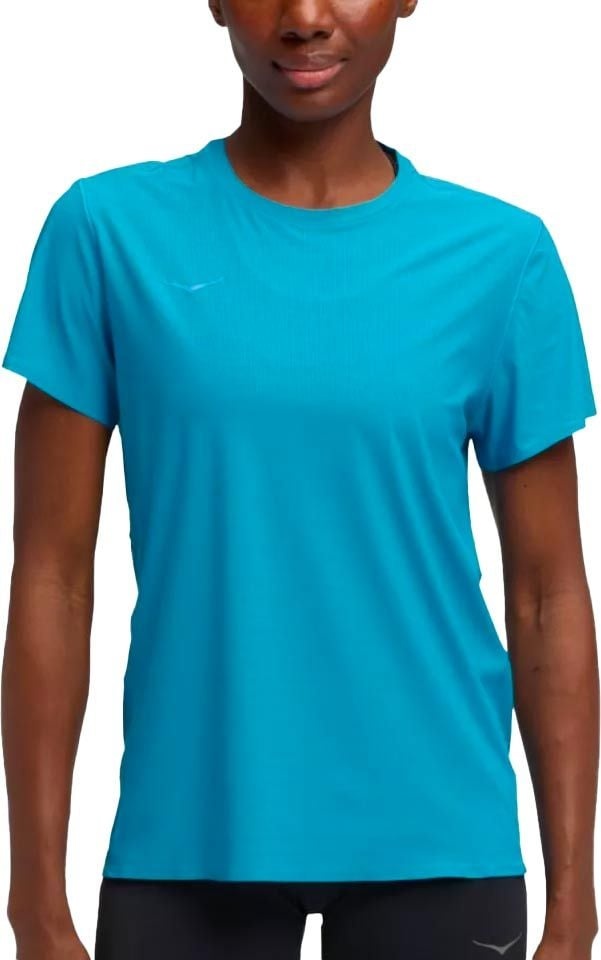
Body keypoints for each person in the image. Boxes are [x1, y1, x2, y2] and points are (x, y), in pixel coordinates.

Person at [2, 0, 598, 958]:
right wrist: (35, 902)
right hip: (187, 834)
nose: (306, 16)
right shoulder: (107, 235)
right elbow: (52, 580)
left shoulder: (501, 257)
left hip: (439, 837)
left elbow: (546, 594)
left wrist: (574, 902)